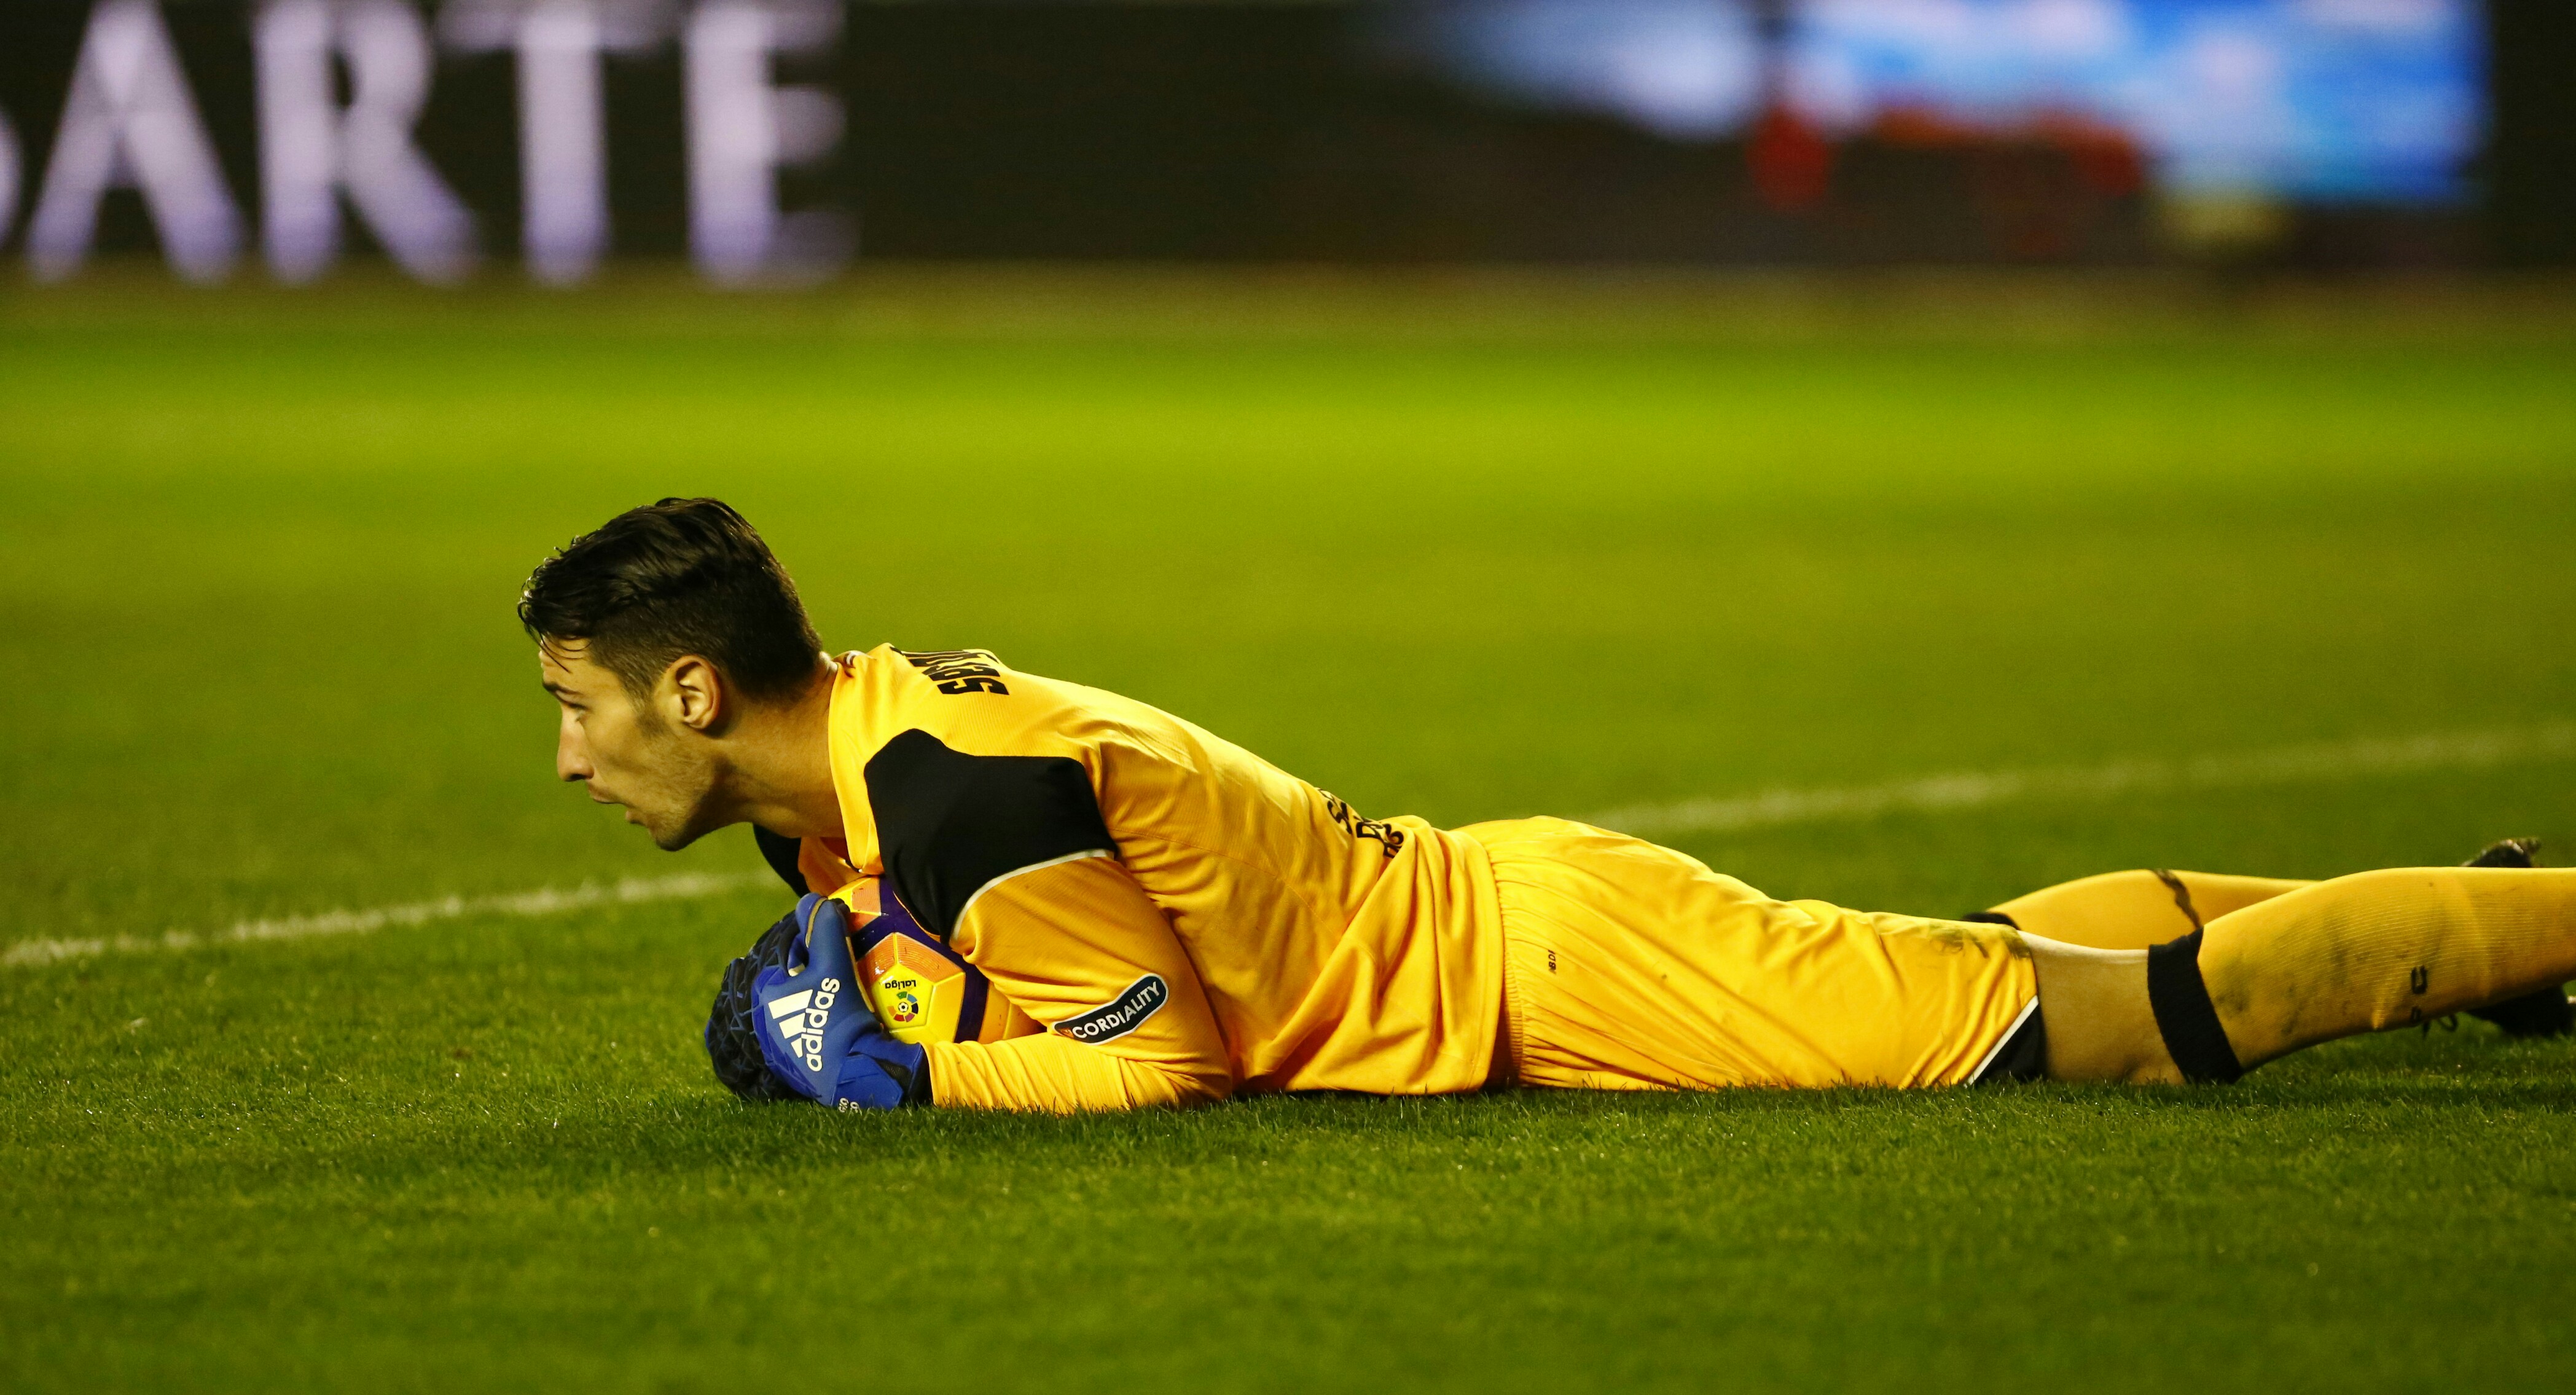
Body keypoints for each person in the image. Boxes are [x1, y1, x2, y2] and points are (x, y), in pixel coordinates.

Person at [523, 497, 2575, 1112]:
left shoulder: (941, 793)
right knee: (2001, 953)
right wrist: (899, 990)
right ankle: (2493, 929)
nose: (567, 754)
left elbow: (1158, 1072)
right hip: (1521, 935)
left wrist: (882, 1063)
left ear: (691, 689)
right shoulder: (866, 771)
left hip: (1555, 970)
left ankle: (2533, 918)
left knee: (2111, 1034)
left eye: (579, 706)